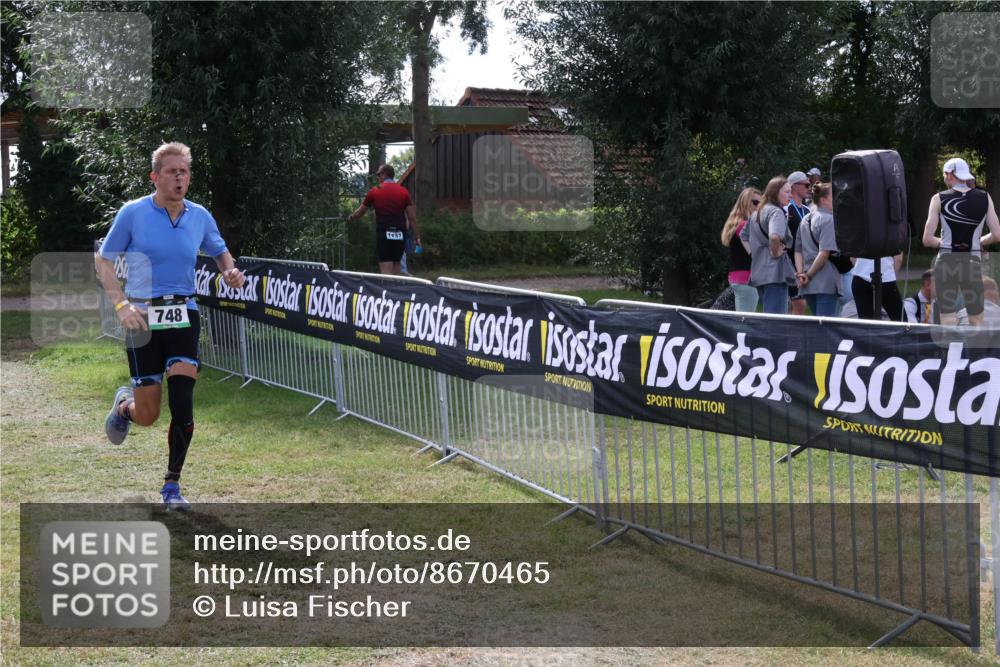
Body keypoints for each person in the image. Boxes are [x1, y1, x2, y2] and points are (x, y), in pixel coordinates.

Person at [95, 142, 245, 511]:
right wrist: (121, 304)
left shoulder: (199, 215)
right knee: (148, 415)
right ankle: (125, 408)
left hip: (183, 313)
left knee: (183, 403)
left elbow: (219, 249)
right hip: (142, 317)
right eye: (172, 171)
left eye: (185, 172)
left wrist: (229, 271)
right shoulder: (133, 213)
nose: (180, 178)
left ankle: (172, 486)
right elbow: (103, 262)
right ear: (155, 177)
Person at [922, 156, 1000, 326]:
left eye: (944, 175)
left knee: (948, 317)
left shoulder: (938, 198)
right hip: (971, 261)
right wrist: (978, 242)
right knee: (976, 318)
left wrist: (943, 242)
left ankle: (952, 352)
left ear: (950, 175)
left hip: (946, 261)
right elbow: (997, 235)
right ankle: (977, 353)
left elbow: (927, 240)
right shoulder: (985, 197)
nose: (944, 179)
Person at [348, 164, 421, 275]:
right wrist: (417, 237)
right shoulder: (403, 192)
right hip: (400, 234)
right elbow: (412, 218)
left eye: (378, 174)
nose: (377, 177)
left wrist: (350, 217)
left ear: (384, 175)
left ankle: (386, 292)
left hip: (383, 233)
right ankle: (396, 291)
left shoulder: (375, 191)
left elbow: (360, 212)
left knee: (386, 269)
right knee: (397, 267)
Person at [741, 176, 795, 314]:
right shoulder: (776, 212)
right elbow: (774, 235)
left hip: (759, 271)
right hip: (774, 273)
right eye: (787, 191)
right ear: (775, 192)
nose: (790, 195)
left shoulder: (758, 212)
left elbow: (743, 236)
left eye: (791, 191)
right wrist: (775, 251)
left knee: (768, 315)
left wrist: (754, 253)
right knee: (776, 319)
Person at [794, 182, 841, 317]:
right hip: (825, 281)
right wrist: (807, 275)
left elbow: (797, 250)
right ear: (823, 200)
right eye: (835, 195)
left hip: (808, 284)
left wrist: (801, 273)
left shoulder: (805, 219)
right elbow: (824, 253)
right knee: (827, 327)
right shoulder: (828, 220)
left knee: (818, 325)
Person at [720, 187, 762, 312]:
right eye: (755, 202)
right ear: (745, 203)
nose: (758, 206)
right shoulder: (744, 225)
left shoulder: (736, 224)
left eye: (761, 203)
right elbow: (755, 252)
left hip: (737, 278)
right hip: (746, 279)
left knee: (741, 320)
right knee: (745, 322)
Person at [784, 171, 811, 315]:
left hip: (805, 262)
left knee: (800, 305)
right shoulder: (786, 209)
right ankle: (790, 335)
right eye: (806, 184)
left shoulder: (808, 210)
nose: (809, 187)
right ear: (794, 186)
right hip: (789, 262)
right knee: (799, 304)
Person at [850, 254, 904, 321]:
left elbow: (852, 256)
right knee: (901, 320)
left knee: (867, 323)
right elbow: (898, 259)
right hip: (886, 277)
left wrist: (863, 269)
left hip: (860, 278)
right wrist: (892, 276)